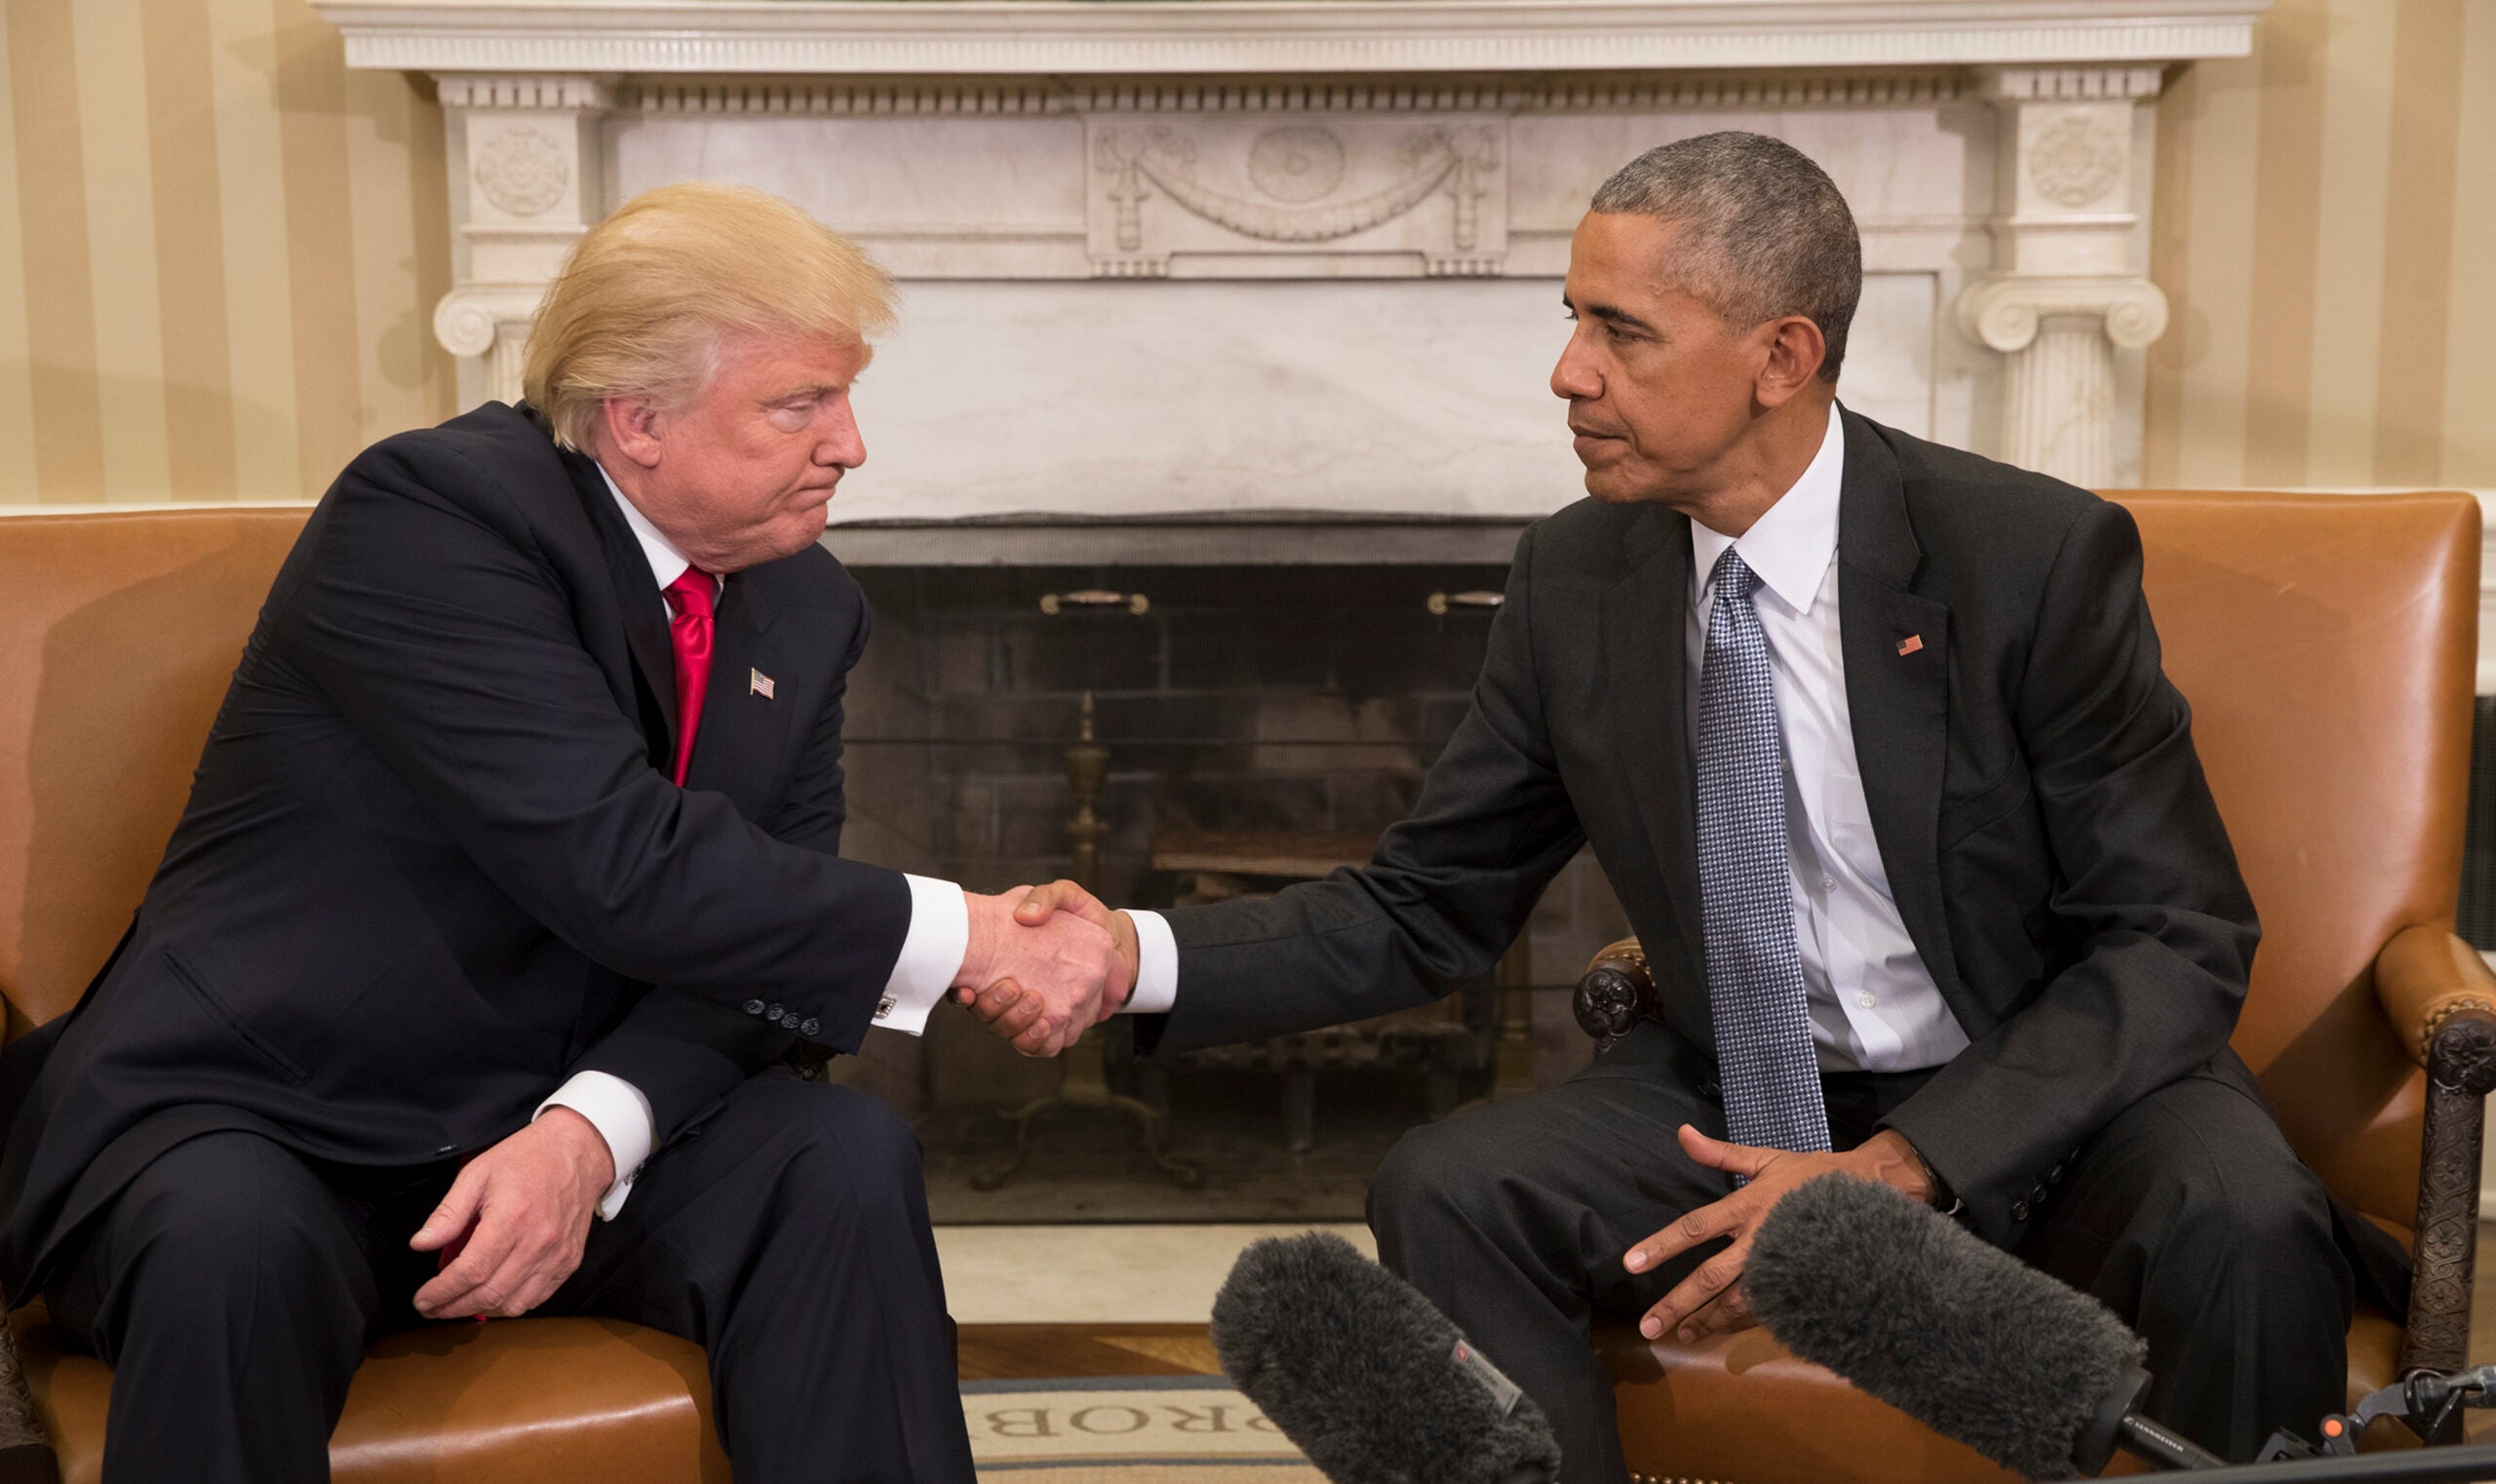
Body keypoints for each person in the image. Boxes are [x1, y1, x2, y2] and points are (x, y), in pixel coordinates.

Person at [983, 133, 2404, 1480]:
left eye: (1621, 331)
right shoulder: (1577, 579)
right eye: (1571, 319)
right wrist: (1130, 953)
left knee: (2244, 1217)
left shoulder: (2023, 558)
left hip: (2043, 1093)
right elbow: (1429, 903)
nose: (1566, 372)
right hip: (1740, 1096)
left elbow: (2175, 934)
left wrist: (1914, 1160)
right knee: (1450, 1181)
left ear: (1781, 356)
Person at [0, 182, 1115, 1483]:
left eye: (845, 399)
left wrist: (590, 1131)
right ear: (637, 422)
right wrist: (971, 930)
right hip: (279, 1107)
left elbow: (772, 952)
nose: (851, 446)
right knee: (225, 1237)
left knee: (838, 1153)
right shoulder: (433, 518)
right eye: (800, 405)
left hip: (556, 1120)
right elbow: (621, 860)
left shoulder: (808, 606)